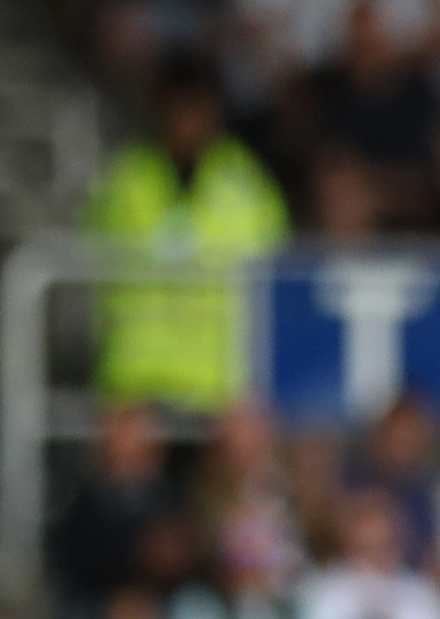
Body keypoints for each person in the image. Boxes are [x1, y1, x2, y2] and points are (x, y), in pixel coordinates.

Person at [84, 68, 291, 413]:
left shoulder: (245, 180)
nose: (186, 123)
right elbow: (89, 251)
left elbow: (276, 257)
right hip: (137, 369)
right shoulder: (127, 176)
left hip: (222, 376)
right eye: (178, 110)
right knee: (126, 460)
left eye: (196, 110)